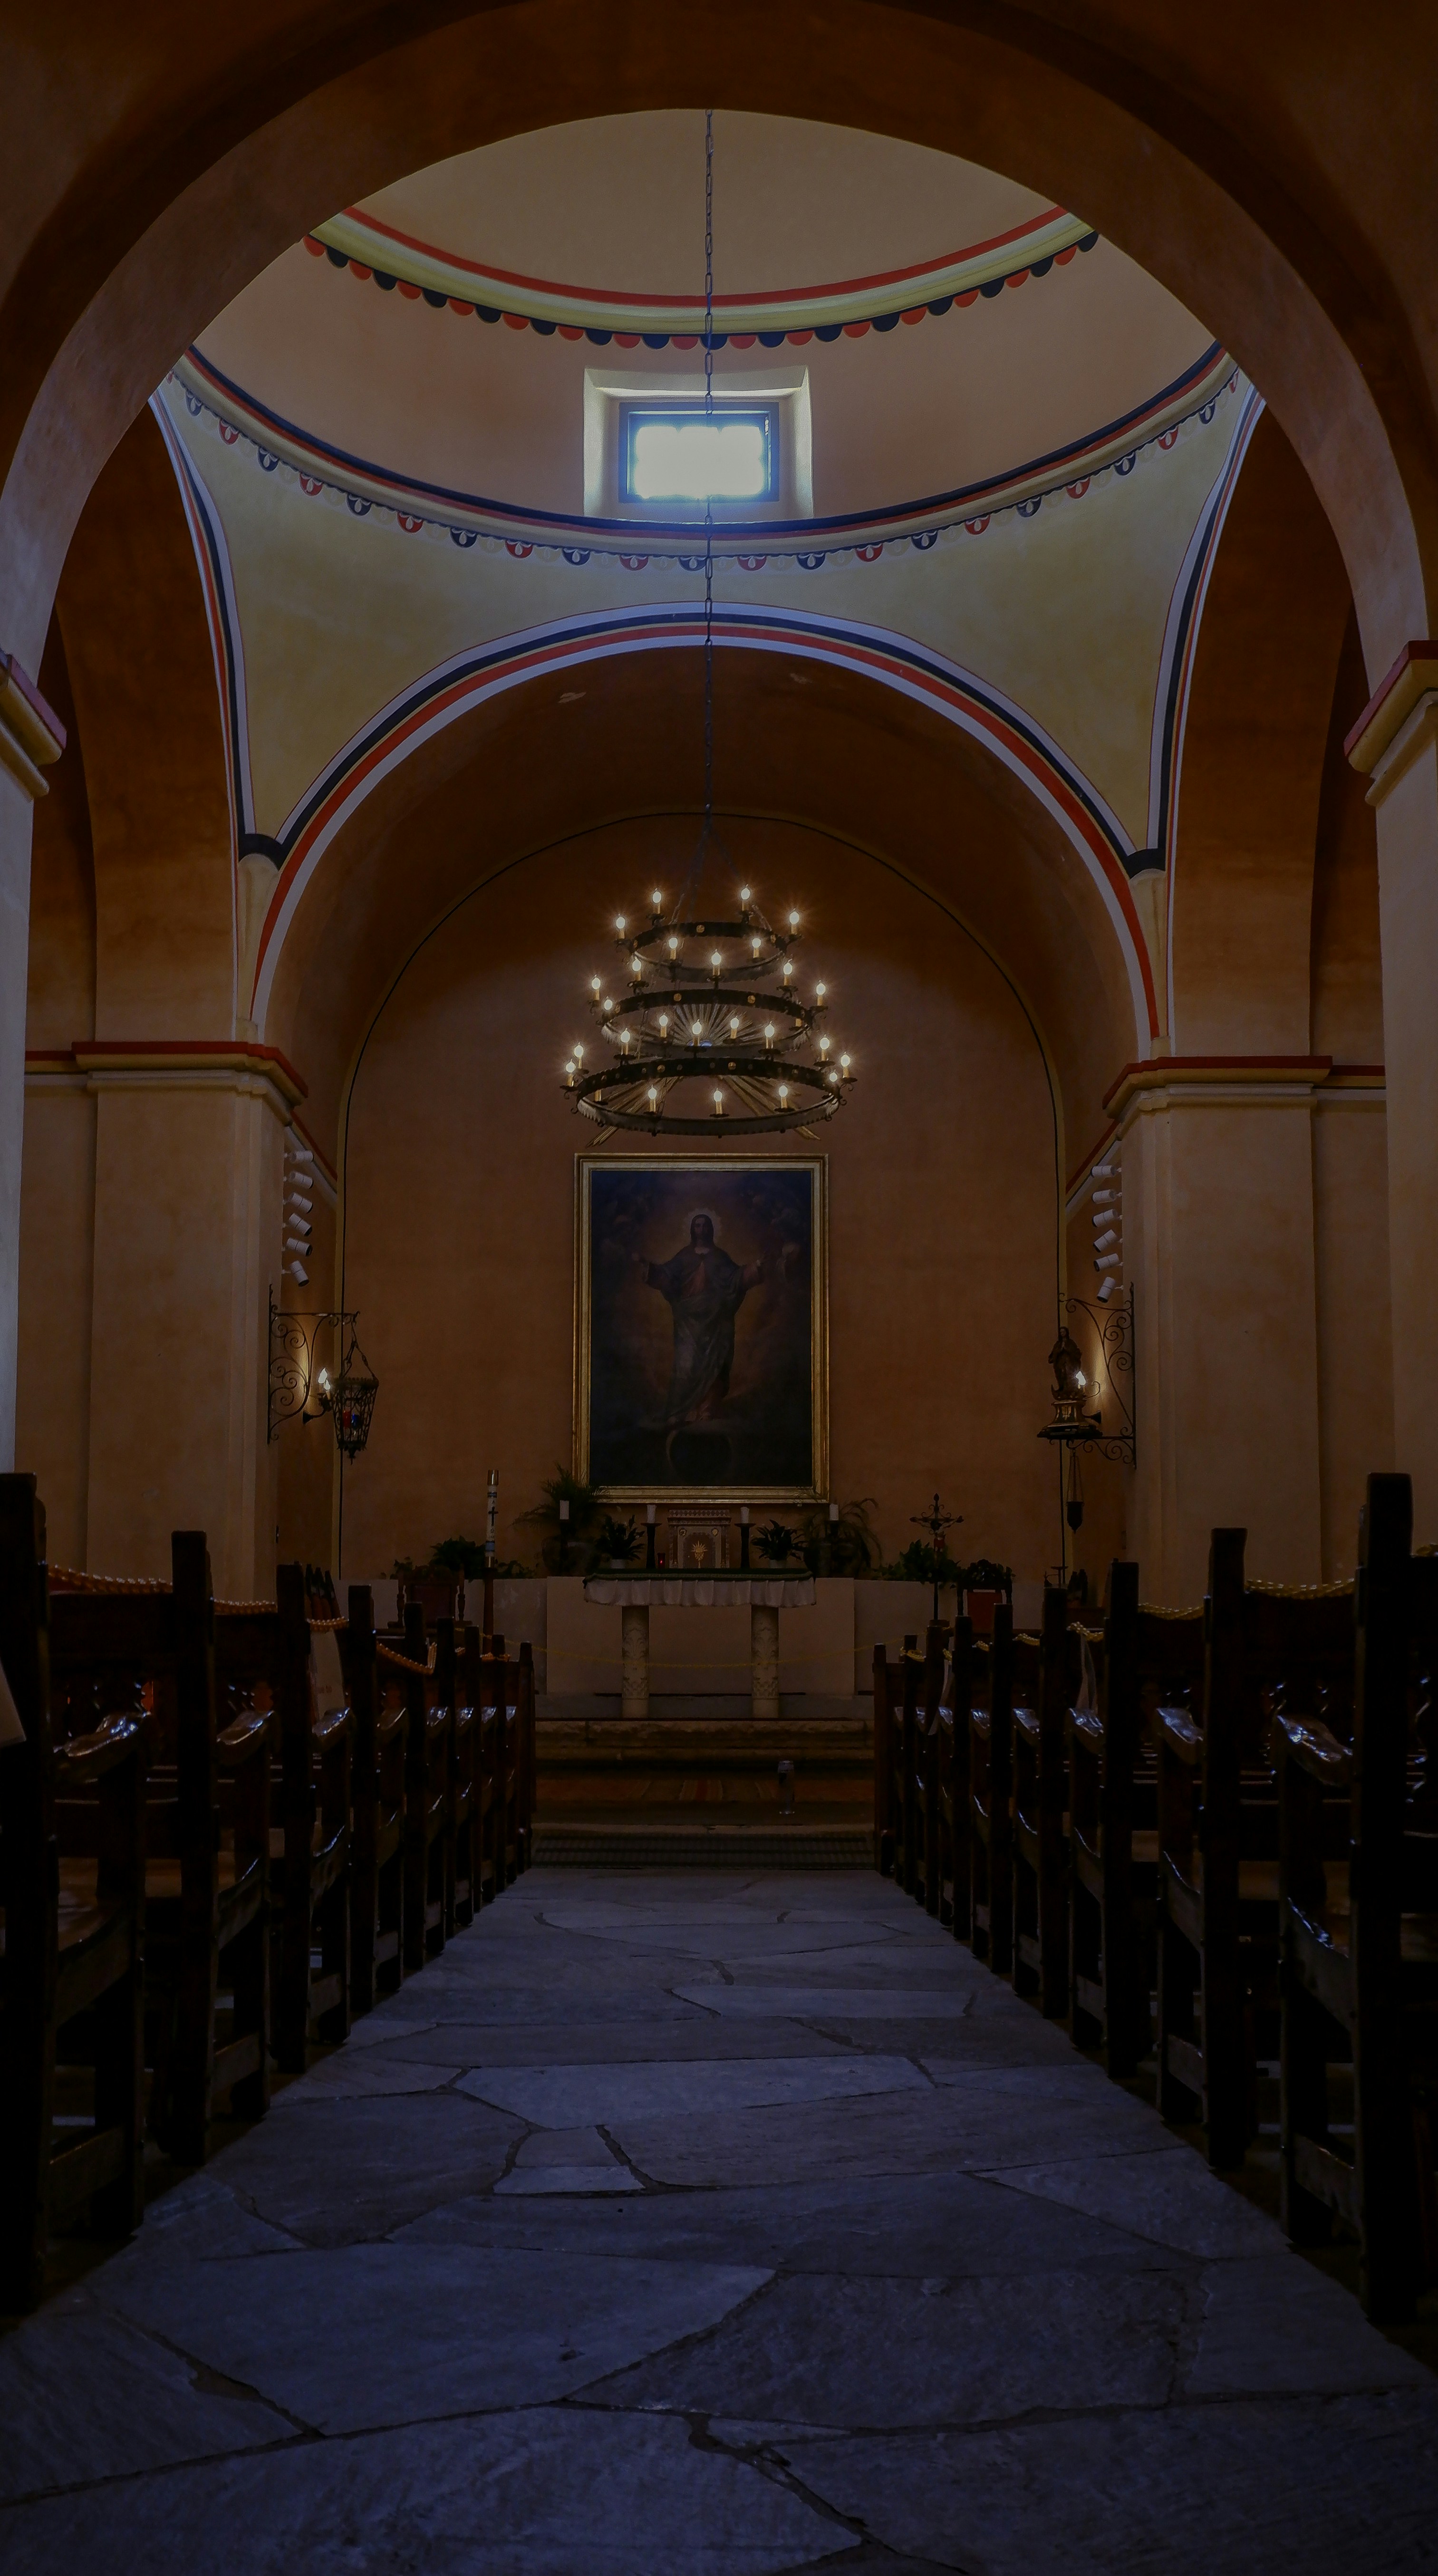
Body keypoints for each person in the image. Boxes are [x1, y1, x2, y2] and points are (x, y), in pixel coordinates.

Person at [633, 1211, 765, 1426]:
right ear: (692, 1230)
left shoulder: (720, 1257)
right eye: (698, 1226)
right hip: (689, 1322)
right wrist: (647, 1266)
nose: (701, 1230)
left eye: (705, 1226)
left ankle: (708, 1411)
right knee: (687, 1366)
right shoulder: (684, 1256)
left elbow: (736, 1279)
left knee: (714, 1367)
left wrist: (757, 1267)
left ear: (711, 1229)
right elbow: (668, 1276)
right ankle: (683, 1410)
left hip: (715, 1322)